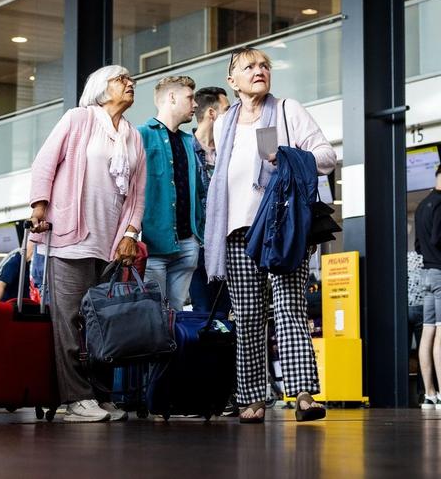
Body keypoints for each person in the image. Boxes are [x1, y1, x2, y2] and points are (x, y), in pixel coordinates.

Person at [204, 47, 335, 423]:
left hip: (282, 228)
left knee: (290, 308)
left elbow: (326, 156)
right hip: (236, 232)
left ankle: (304, 396)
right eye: (249, 67)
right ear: (233, 80)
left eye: (264, 65)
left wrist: (286, 156)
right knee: (246, 317)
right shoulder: (223, 123)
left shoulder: (288, 109)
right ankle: (252, 398)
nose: (259, 70)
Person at [29, 64, 146, 422]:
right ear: (100, 87)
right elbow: (45, 163)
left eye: (130, 80)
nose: (130, 84)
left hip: (110, 243)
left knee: (103, 323)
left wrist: (130, 234)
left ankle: (99, 393)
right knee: (70, 320)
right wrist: (39, 206)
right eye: (121, 80)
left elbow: (138, 193)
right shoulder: (78, 119)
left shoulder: (132, 135)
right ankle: (75, 397)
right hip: (69, 237)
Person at [138, 76, 204, 312]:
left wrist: (198, 236)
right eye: (190, 98)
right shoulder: (141, 135)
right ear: (172, 97)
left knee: (175, 317)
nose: (195, 104)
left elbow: (199, 191)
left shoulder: (189, 141)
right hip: (153, 245)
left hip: (188, 243)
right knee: (152, 317)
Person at [189, 86, 233, 314]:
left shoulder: (231, 151)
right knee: (202, 312)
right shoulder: (186, 148)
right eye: (226, 109)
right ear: (212, 114)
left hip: (228, 245)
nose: (232, 113)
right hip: (198, 247)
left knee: (227, 314)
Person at [414, 169, 441, 410]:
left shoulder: (422, 205)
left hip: (426, 274)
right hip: (440, 273)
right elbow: (436, 238)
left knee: (428, 332)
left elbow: (419, 245)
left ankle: (430, 394)